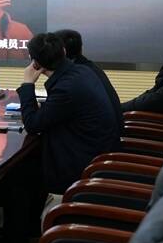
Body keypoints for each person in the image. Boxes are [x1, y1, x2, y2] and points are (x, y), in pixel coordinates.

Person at [17, 33, 119, 195]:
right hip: (98, 154)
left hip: (83, 166)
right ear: (63, 51)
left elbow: (32, 124)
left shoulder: (66, 88)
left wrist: (28, 84)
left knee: (20, 172)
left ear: (35, 62)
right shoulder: (82, 71)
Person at [55, 29, 123, 130]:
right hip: (109, 133)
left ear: (62, 51)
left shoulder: (75, 75)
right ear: (81, 49)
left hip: (97, 136)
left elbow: (42, 120)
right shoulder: (90, 68)